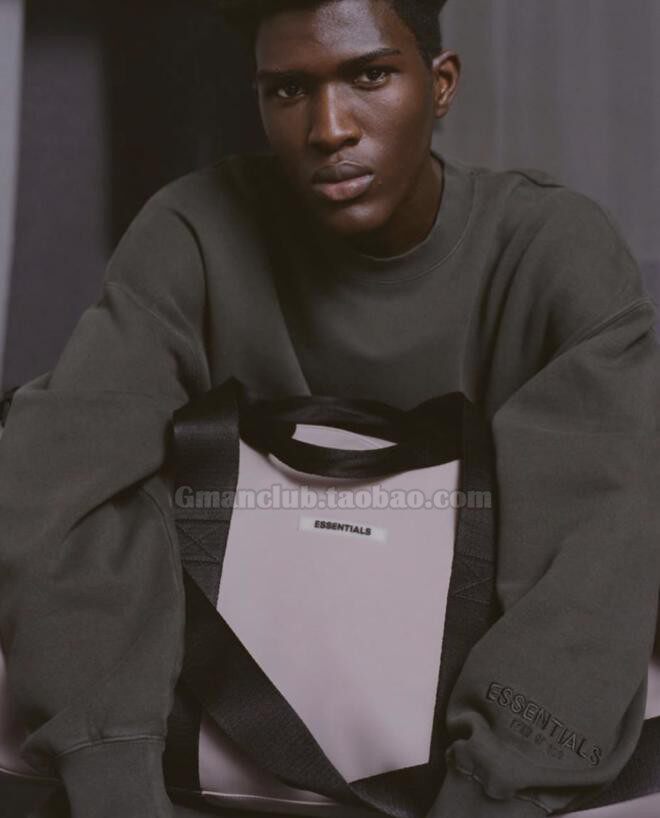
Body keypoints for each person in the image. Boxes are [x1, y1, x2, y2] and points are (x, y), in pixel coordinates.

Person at [0, 0, 658, 816]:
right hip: (200, 752)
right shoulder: (193, 232)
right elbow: (51, 481)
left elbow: (602, 546)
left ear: (441, 85)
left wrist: (495, 787)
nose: (329, 129)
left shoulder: (554, 251)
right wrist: (115, 778)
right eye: (287, 91)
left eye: (370, 76)